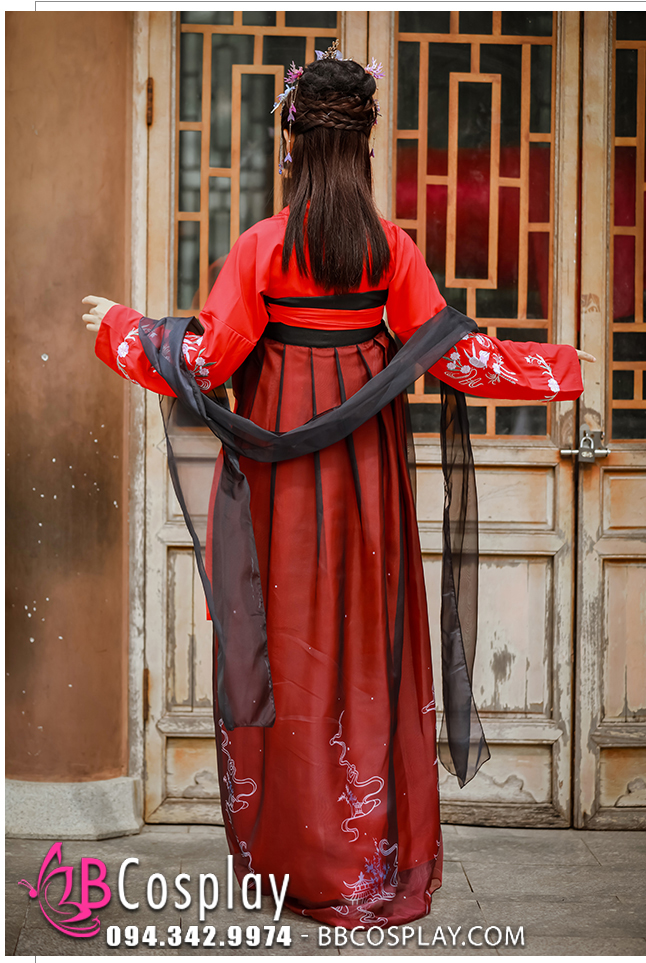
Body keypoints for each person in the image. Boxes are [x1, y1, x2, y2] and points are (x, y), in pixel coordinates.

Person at [83, 48, 593, 929]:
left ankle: (298, 856)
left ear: (293, 143)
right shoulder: (389, 248)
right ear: (363, 146)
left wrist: (123, 328)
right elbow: (456, 356)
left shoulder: (263, 247)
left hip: (282, 491)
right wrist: (553, 368)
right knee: (366, 655)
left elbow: (204, 360)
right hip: (366, 486)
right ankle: (367, 859)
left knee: (291, 654)